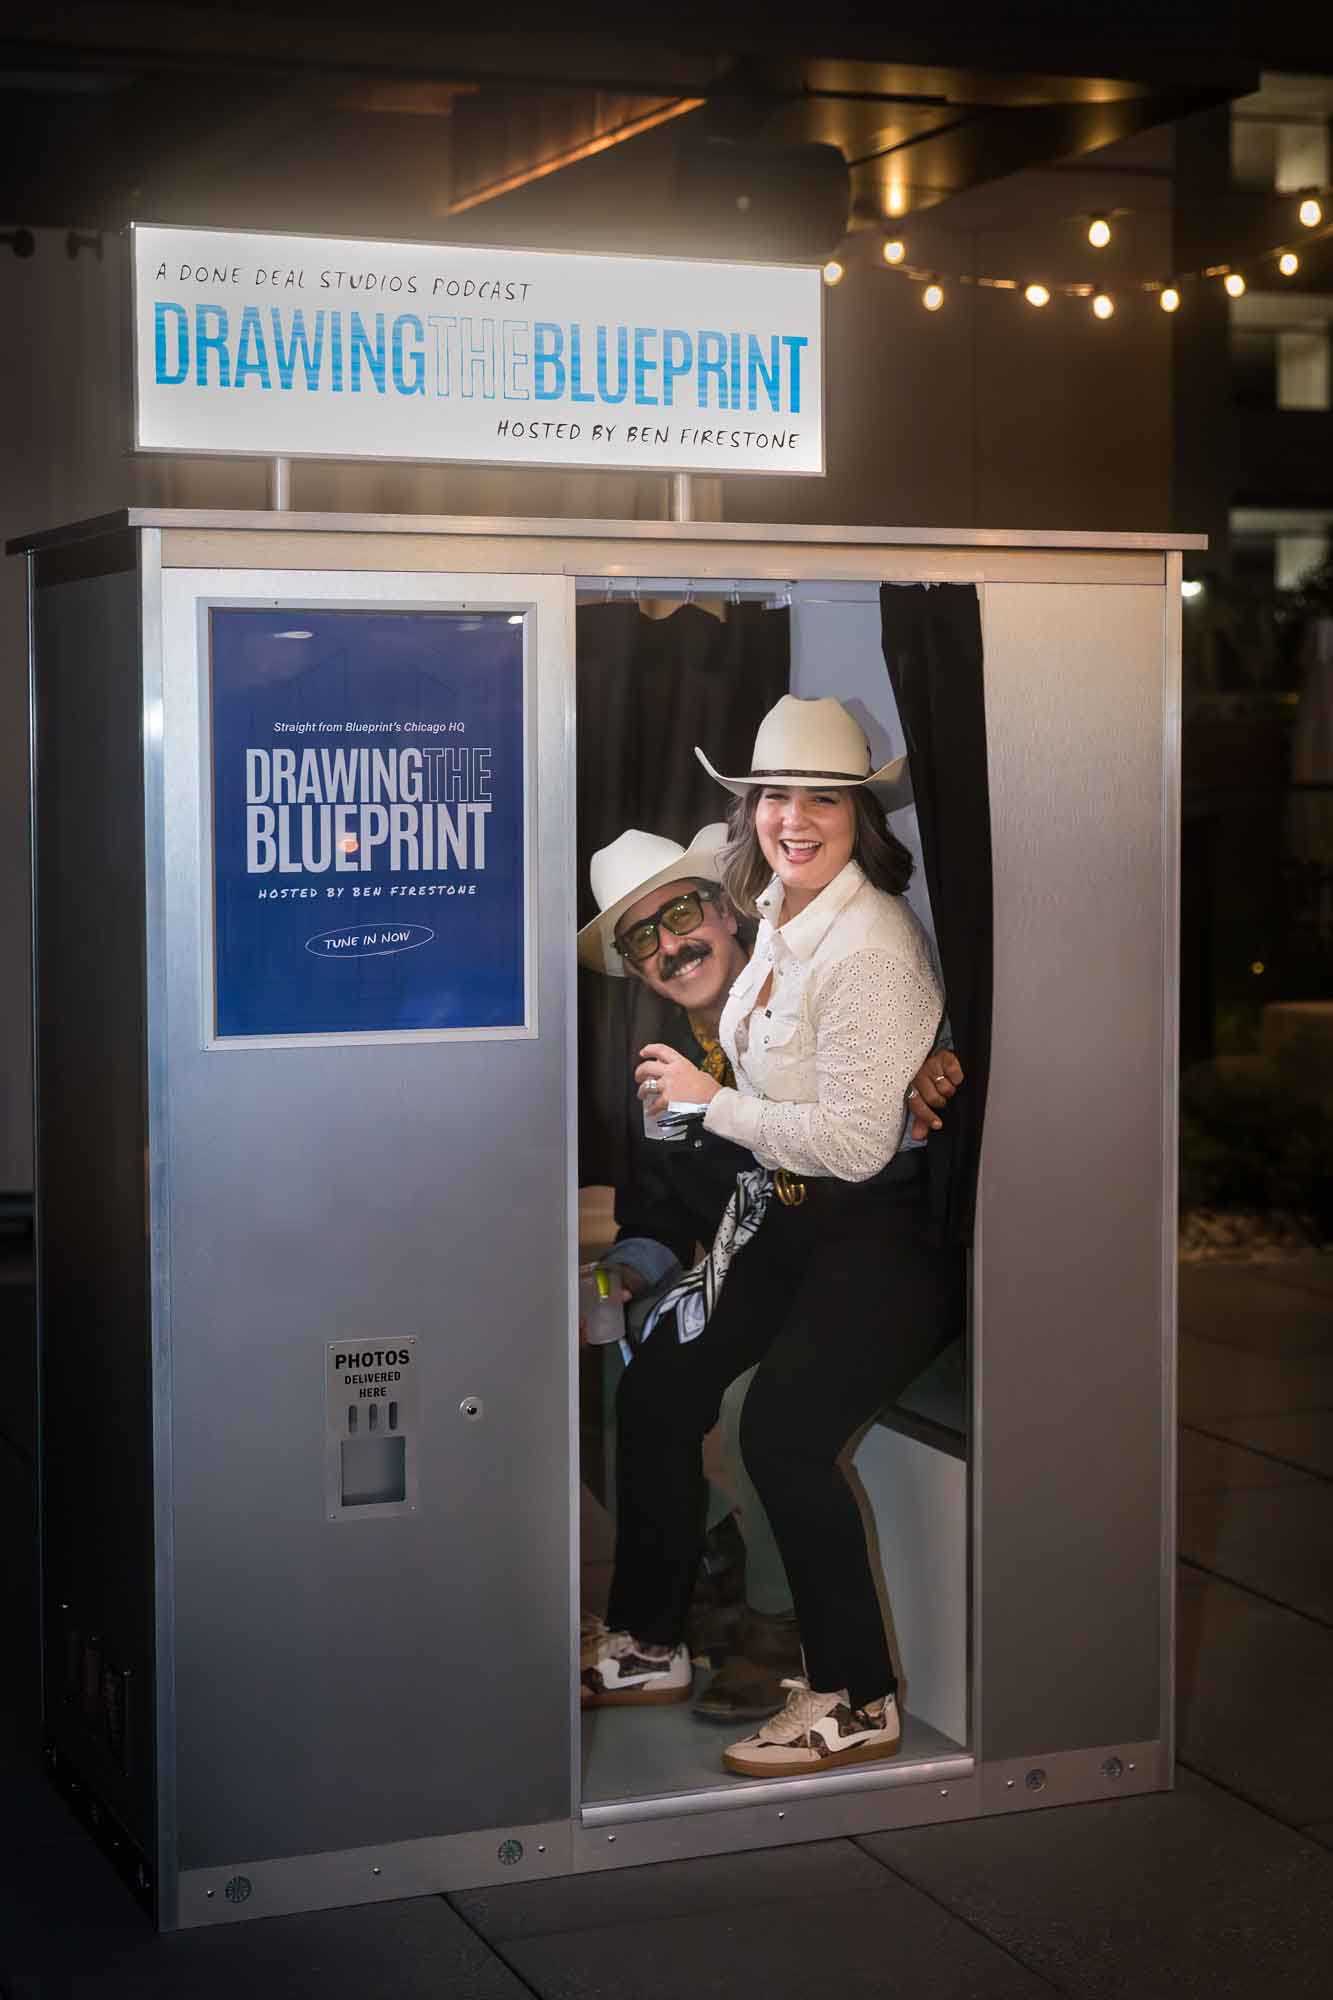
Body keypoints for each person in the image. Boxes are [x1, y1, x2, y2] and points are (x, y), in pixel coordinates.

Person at [582, 695, 962, 1777]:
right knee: (656, 1381)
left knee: (779, 1435)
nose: (794, 816)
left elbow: (849, 1142)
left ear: (859, 811)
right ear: (748, 814)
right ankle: (650, 1638)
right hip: (786, 1221)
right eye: (774, 796)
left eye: (821, 796)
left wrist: (713, 1103)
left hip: (872, 1230)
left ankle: (854, 1693)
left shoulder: (869, 939)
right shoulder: (787, 924)